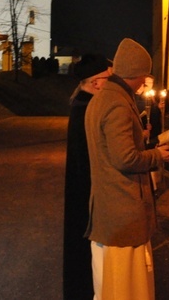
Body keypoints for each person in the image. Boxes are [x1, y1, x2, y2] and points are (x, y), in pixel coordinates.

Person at [85, 38, 169, 300]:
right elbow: (125, 159)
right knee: (125, 287)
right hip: (122, 212)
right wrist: (156, 155)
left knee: (110, 285)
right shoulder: (117, 104)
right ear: (136, 74)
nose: (144, 82)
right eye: (144, 77)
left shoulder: (103, 98)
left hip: (110, 210)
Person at [63, 54, 112, 300]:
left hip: (83, 188)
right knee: (85, 253)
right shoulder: (88, 108)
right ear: (95, 82)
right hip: (86, 190)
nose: (111, 84)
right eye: (108, 78)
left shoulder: (82, 103)